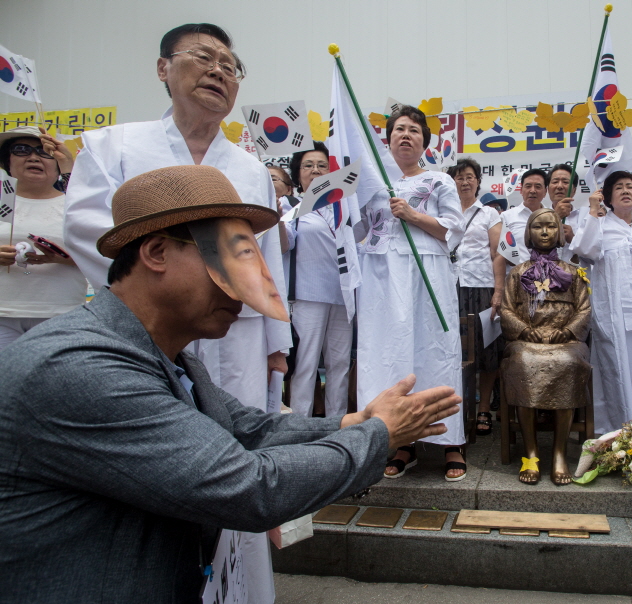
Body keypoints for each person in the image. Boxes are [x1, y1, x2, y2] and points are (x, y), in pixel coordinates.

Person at [0, 165, 460, 603]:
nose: (246, 291)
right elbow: (249, 488)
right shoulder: (83, 368)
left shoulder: (167, 359)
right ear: (156, 253)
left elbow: (249, 429)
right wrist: (378, 435)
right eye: (228, 261)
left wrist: (351, 421)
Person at [60, 23, 291, 604]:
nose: (218, 71)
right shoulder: (111, 145)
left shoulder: (249, 167)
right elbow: (92, 233)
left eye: (231, 66)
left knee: (236, 455)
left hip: (234, 335)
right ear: (164, 69)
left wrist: (276, 343)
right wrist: (177, 286)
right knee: (154, 459)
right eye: (204, 57)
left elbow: (265, 263)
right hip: (148, 335)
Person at [357, 105, 466, 481]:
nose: (406, 135)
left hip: (426, 272)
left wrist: (413, 215)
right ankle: (400, 440)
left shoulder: (439, 181)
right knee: (390, 353)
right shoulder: (369, 184)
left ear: (424, 142)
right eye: (399, 129)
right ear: (387, 138)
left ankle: (452, 442)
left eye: (414, 131)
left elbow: (454, 230)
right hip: (381, 276)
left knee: (435, 350)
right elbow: (357, 230)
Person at [568, 171, 632, 433]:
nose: (626, 191)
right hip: (611, 310)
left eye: (631, 187)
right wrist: (592, 210)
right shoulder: (599, 224)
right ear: (609, 197)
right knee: (614, 365)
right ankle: (617, 431)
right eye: (619, 187)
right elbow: (584, 250)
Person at [500, 208, 591, 485]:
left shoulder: (575, 273)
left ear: (560, 232)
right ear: (528, 232)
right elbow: (506, 311)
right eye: (538, 226)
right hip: (526, 342)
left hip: (566, 343)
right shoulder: (517, 273)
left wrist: (566, 331)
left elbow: (584, 311)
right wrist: (526, 331)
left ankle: (560, 452)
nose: (544, 232)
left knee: (569, 363)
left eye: (551, 227)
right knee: (523, 363)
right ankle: (531, 452)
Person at [0, 126, 85, 351]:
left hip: (61, 315)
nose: (33, 157)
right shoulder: (2, 199)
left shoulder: (76, 205)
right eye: (21, 150)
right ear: (7, 161)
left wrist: (64, 258)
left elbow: (103, 253)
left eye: (44, 151)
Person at [284, 143, 353, 418]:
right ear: (298, 175)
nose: (316, 170)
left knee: (339, 364)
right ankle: (300, 427)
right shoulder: (292, 212)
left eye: (322, 165)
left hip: (343, 297)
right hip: (308, 297)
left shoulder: (344, 210)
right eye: (308, 165)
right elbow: (282, 244)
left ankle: (337, 426)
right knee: (306, 365)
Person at [446, 158, 504, 435]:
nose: (465, 182)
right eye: (459, 177)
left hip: (481, 287)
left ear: (478, 181)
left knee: (487, 350)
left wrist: (499, 291)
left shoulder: (489, 214)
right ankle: (457, 406)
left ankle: (483, 410)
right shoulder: (443, 211)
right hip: (448, 286)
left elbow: (497, 254)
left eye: (470, 176)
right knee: (454, 350)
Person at [495, 168, 548, 277]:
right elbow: (499, 255)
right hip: (516, 281)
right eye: (528, 186)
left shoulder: (552, 217)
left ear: (545, 191)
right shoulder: (506, 217)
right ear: (521, 190)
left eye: (538, 187)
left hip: (547, 282)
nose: (532, 190)